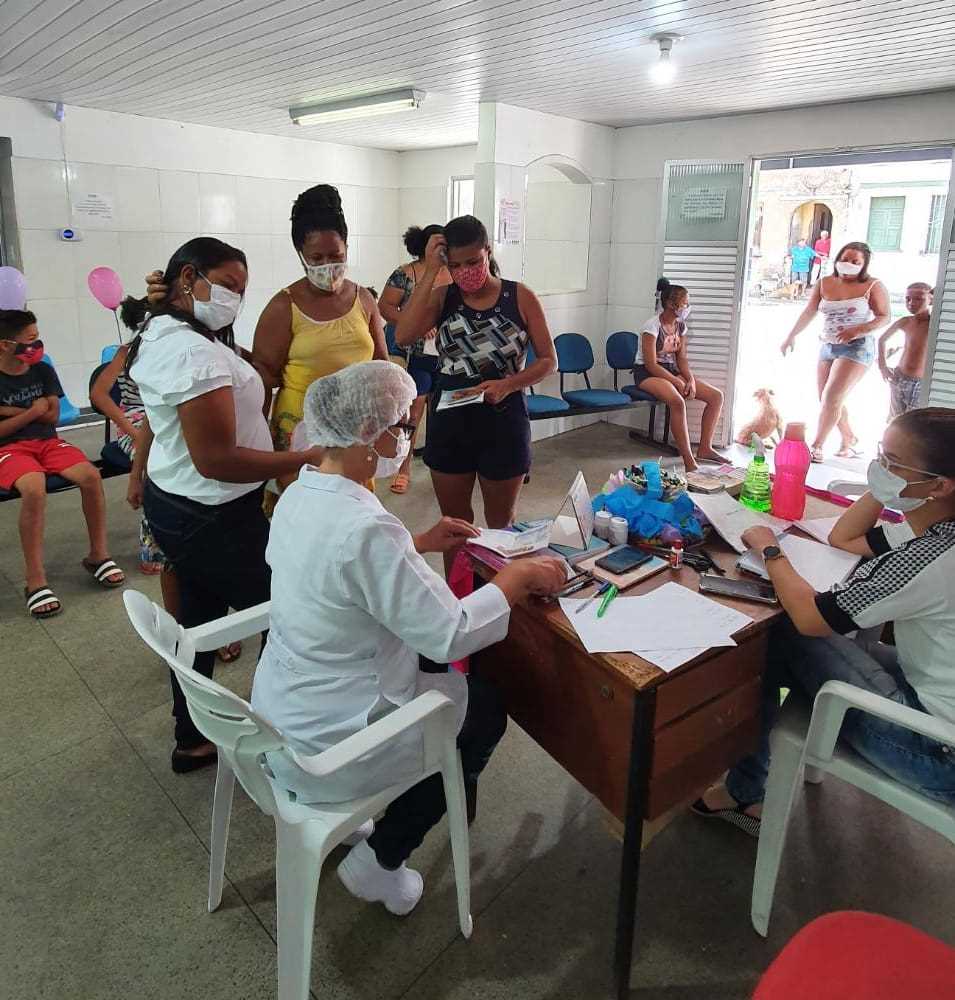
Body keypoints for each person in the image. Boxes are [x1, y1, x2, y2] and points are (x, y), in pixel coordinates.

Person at [251, 361, 566, 914]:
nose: (405, 439)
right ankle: (381, 859)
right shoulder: (368, 527)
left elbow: (336, 570)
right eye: (399, 426)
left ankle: (368, 829)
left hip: (284, 707)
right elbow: (451, 634)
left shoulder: (301, 493)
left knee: (446, 687)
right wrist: (516, 580)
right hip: (333, 740)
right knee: (481, 714)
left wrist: (415, 543)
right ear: (366, 435)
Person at [693, 406, 955, 835]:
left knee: (781, 632)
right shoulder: (935, 523)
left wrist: (770, 550)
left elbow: (812, 618)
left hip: (933, 752)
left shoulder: (930, 558)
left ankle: (743, 789)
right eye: (878, 456)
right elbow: (843, 538)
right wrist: (886, 487)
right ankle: (750, 773)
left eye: (891, 464)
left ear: (939, 486)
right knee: (808, 644)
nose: (878, 469)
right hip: (934, 696)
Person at [125, 237, 322, 773]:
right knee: (288, 613)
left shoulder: (173, 330)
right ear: (190, 277)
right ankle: (276, 738)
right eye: (229, 286)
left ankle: (192, 738)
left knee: (196, 618)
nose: (236, 298)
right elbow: (214, 457)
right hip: (210, 513)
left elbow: (172, 424)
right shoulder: (188, 349)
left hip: (186, 504)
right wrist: (302, 458)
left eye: (242, 290)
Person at [394, 216, 557, 567]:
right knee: (455, 525)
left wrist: (509, 383)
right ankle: (459, 599)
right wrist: (429, 273)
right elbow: (404, 335)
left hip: (503, 418)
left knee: (502, 524)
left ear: (488, 251)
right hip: (451, 418)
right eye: (455, 265)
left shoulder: (520, 297)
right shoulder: (443, 297)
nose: (466, 271)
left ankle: (502, 599)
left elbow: (548, 360)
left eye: (473, 262)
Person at [252, 184, 388, 509]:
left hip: (356, 428)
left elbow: (381, 364)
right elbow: (263, 378)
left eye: (336, 256)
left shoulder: (364, 299)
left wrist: (389, 420)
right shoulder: (284, 306)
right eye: (317, 258)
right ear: (301, 255)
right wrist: (256, 445)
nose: (328, 265)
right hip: (301, 431)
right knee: (304, 514)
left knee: (353, 513)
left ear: (347, 248)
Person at [0, 308, 124, 618]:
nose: (36, 346)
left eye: (37, 339)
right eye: (30, 341)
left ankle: (98, 554)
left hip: (49, 442)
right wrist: (30, 412)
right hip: (11, 448)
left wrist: (11, 412)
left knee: (90, 476)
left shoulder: (42, 370)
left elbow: (53, 415)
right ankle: (35, 578)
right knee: (34, 488)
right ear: (5, 344)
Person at [781, 241, 890, 463]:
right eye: (845, 259)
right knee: (827, 398)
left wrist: (859, 329)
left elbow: (885, 316)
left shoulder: (873, 285)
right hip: (828, 345)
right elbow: (810, 311)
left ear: (864, 265)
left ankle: (817, 446)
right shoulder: (825, 283)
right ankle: (849, 437)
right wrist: (791, 335)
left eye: (855, 262)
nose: (848, 264)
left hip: (857, 347)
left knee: (832, 396)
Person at [378, 224, 451, 494]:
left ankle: (441, 466)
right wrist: (415, 323)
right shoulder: (405, 274)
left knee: (443, 412)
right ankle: (404, 468)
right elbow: (384, 307)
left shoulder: (452, 273)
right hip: (411, 356)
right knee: (414, 412)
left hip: (443, 357)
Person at [632, 278, 725, 472]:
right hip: (648, 373)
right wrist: (676, 381)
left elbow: (681, 358)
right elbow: (650, 364)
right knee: (677, 401)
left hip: (670, 370)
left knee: (716, 396)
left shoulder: (680, 326)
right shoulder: (652, 326)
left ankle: (705, 448)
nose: (687, 307)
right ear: (670, 305)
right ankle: (689, 461)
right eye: (685, 304)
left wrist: (689, 379)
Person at [878, 282, 933, 419]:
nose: (911, 303)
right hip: (899, 377)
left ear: (931, 299)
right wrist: (882, 366)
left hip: (920, 382)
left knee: (911, 421)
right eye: (908, 299)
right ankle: (892, 440)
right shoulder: (905, 321)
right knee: (895, 418)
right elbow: (882, 340)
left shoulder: (934, 323)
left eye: (919, 298)